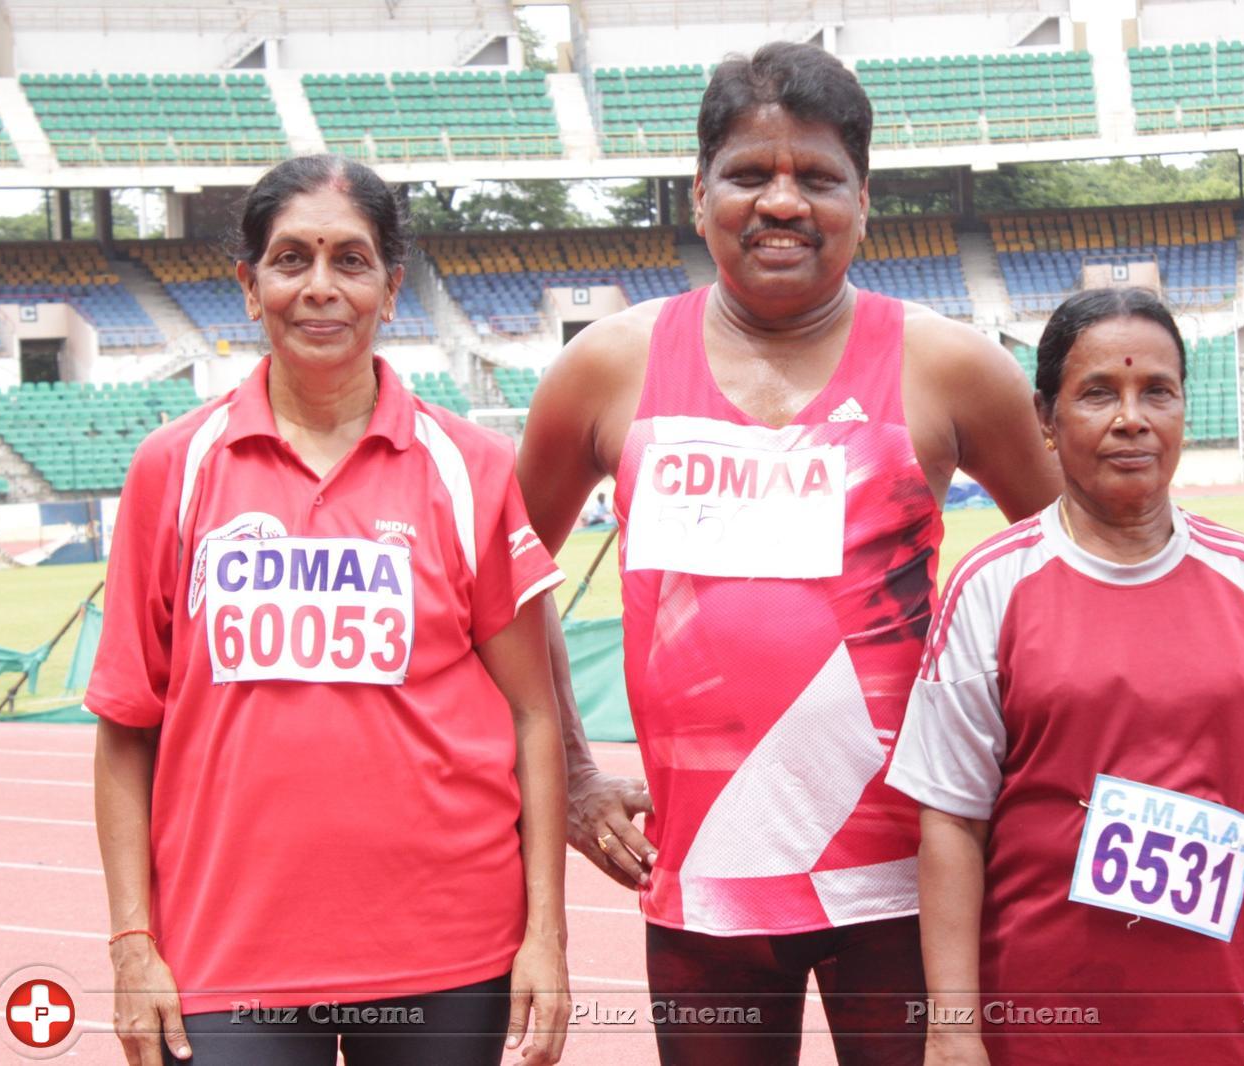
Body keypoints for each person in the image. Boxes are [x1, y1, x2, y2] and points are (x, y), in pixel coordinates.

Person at [516, 41, 1060, 1066]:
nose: (781, 202)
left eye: (816, 177)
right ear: (698, 192)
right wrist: (579, 774)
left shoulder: (948, 368)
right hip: (705, 879)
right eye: (749, 174)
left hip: (909, 880)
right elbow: (506, 573)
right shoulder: (605, 371)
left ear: (863, 199)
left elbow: (1069, 570)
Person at [88, 154, 571, 1066]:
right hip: (228, 954)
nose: (320, 288)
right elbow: (125, 727)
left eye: (350, 261)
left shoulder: (469, 469)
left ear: (392, 290)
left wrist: (545, 934)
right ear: (248, 283)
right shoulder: (174, 468)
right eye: (291, 259)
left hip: (446, 950)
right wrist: (131, 943)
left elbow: (533, 714)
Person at [885, 287, 1244, 1065]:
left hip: (1236, 1024)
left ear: (1184, 409)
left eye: (1157, 392)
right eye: (1099, 393)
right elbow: (951, 821)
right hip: (1042, 1026)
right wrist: (953, 1027)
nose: (1131, 418)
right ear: (1045, 418)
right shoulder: (992, 586)